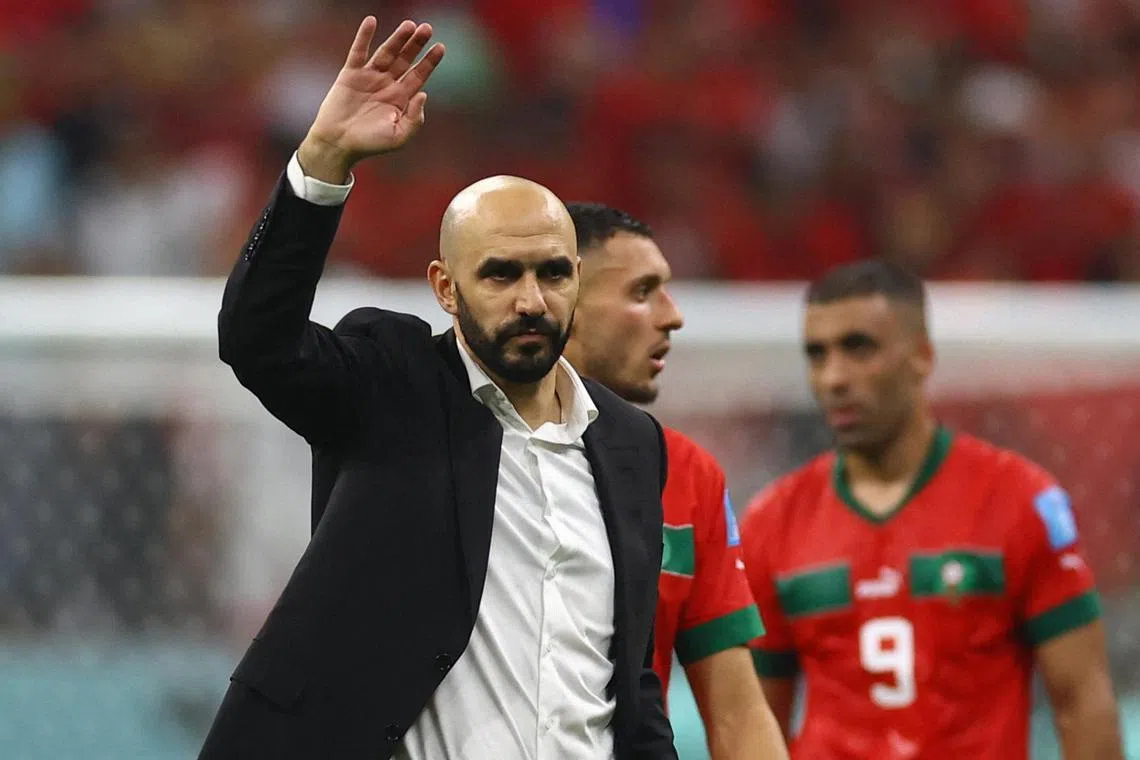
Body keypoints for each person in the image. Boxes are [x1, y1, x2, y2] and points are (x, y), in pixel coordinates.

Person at [200, 17, 676, 760]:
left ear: (578, 282)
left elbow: (631, 687)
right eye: (499, 274)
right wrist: (323, 161)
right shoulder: (394, 386)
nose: (530, 300)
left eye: (552, 273)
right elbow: (258, 342)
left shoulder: (630, 443)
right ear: (446, 290)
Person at [739, 260, 1125, 760]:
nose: (833, 377)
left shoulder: (1018, 500)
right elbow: (753, 725)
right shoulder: (772, 521)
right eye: (817, 354)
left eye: (859, 348)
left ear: (921, 356)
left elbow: (1082, 702)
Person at [562, 203, 789, 760]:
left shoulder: (688, 476)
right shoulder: (463, 450)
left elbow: (737, 712)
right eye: (643, 292)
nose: (673, 316)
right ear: (560, 302)